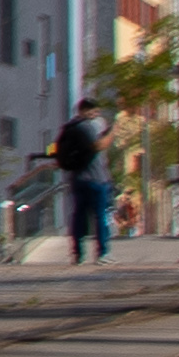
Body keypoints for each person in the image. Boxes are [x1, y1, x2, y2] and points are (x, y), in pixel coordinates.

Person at [56, 102, 113, 262]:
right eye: (95, 111)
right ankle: (103, 253)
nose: (96, 115)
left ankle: (78, 253)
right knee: (100, 216)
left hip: (77, 178)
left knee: (79, 216)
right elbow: (98, 145)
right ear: (87, 111)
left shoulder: (69, 128)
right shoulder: (89, 127)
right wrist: (111, 132)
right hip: (96, 179)